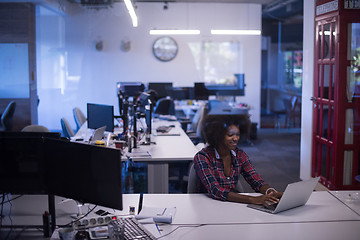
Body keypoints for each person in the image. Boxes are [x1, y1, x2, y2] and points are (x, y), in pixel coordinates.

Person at [193, 114, 283, 205]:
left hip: (231, 204)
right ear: (218, 135)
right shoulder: (203, 157)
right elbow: (215, 190)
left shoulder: (239, 155)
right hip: (206, 206)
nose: (236, 139)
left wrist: (270, 191)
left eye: (238, 135)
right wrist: (252, 199)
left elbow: (255, 180)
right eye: (230, 135)